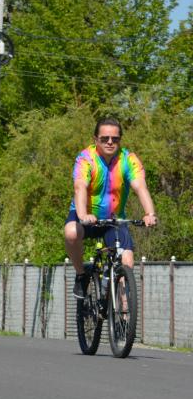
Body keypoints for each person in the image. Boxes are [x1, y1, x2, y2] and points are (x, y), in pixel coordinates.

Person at [64, 117, 157, 299]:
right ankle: (81, 274)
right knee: (71, 233)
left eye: (115, 139)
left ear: (120, 140)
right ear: (95, 139)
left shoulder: (128, 159)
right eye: (104, 138)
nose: (109, 142)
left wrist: (150, 213)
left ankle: (123, 312)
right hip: (86, 216)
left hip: (114, 220)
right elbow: (80, 186)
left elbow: (140, 187)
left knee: (127, 261)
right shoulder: (85, 158)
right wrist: (83, 215)